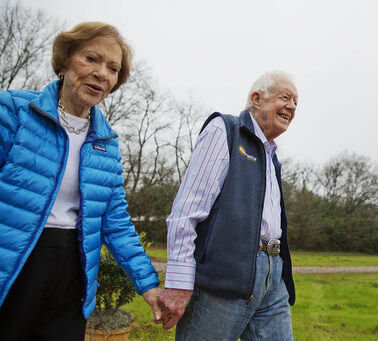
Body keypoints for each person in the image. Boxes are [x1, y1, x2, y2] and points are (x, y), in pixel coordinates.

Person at [0, 22, 161, 341]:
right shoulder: (14, 110)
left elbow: (115, 222)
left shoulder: (106, 141)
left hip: (73, 271)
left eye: (113, 68)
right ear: (64, 61)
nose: (102, 73)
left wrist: (149, 286)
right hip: (15, 262)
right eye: (91, 59)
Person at [158, 71, 298, 340]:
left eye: (296, 102)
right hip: (223, 278)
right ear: (257, 99)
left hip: (273, 277)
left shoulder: (272, 156)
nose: (292, 106)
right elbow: (186, 212)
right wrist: (178, 282)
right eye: (285, 97)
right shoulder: (225, 130)